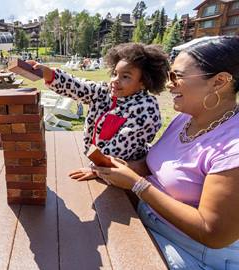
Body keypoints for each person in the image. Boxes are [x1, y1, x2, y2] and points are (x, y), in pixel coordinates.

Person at [93, 36, 239, 269]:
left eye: (177, 76)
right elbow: (160, 165)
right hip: (148, 223)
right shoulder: (185, 118)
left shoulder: (233, 147)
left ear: (219, 81)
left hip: (190, 252)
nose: (169, 84)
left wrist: (137, 183)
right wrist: (119, 167)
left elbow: (213, 234)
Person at [29, 43, 169, 180]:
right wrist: (48, 73)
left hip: (125, 176)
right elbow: (79, 86)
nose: (115, 80)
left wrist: (95, 169)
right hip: (98, 164)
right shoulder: (105, 93)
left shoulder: (146, 109)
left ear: (143, 82)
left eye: (125, 76)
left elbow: (120, 148)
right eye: (115, 74)